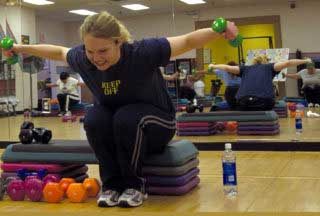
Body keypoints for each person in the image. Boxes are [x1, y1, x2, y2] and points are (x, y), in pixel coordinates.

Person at [7, 11, 239, 207]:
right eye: (90, 51)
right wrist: (18, 48)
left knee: (127, 118)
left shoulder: (142, 52)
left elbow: (187, 41)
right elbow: (58, 51)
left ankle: (134, 185)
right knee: (94, 118)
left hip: (158, 122)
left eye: (103, 51)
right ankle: (110, 186)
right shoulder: (83, 57)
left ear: (119, 41)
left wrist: (219, 30)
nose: (96, 58)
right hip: (117, 121)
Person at [209, 55, 311, 111]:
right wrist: (305, 61)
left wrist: (213, 66)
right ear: (265, 61)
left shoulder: (245, 68)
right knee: (273, 99)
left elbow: (227, 68)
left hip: (244, 103)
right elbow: (288, 63)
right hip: (264, 103)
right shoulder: (269, 67)